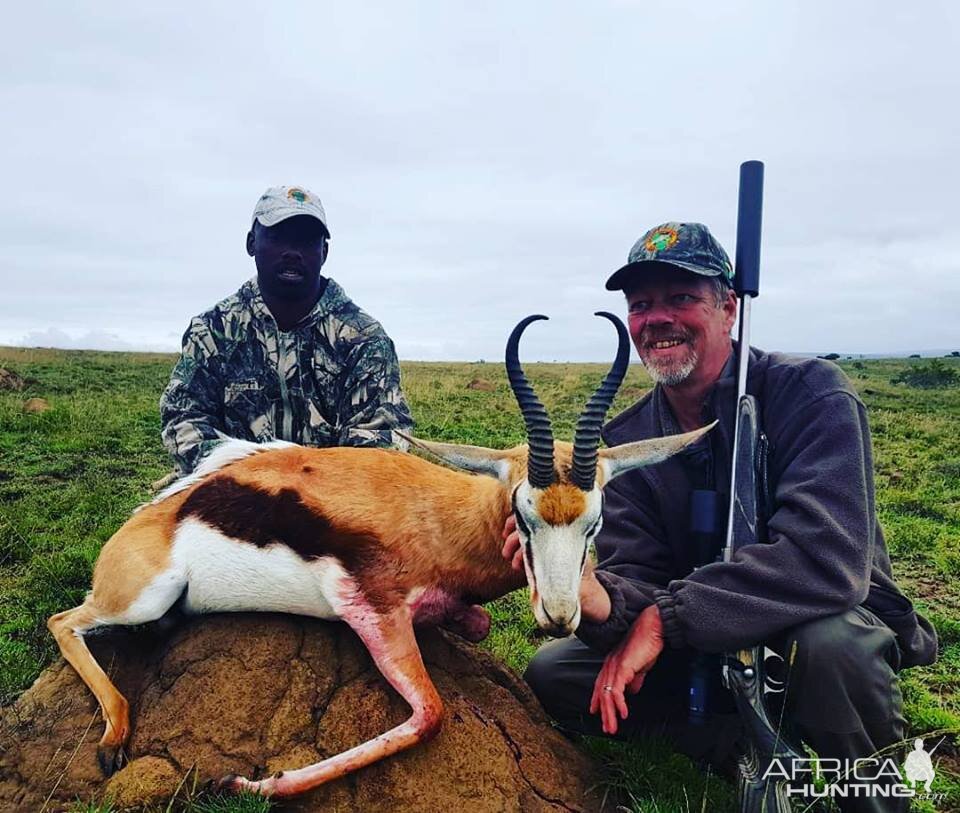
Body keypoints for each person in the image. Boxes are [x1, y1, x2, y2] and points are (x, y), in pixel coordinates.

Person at [502, 222, 938, 812]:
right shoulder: (626, 440)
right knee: (557, 675)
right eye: (641, 304)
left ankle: (872, 794)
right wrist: (595, 595)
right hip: (698, 631)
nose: (657, 318)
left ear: (728, 308)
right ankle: (733, 744)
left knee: (833, 648)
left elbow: (825, 562)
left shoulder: (811, 394)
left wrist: (663, 621)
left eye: (681, 298)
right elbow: (640, 576)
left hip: (809, 616)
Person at [160, 185, 414, 476]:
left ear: (325, 252)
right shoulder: (213, 330)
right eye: (278, 237)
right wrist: (249, 485)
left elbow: (380, 447)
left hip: (328, 507)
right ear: (251, 243)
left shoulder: (364, 339)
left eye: (306, 241)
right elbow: (184, 419)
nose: (293, 252)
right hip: (230, 497)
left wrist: (306, 492)